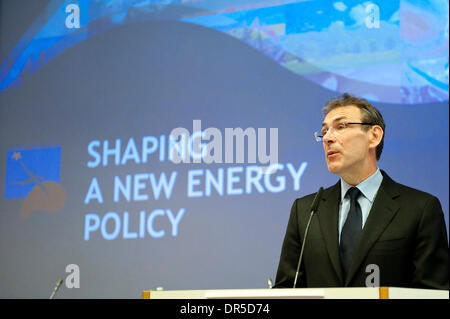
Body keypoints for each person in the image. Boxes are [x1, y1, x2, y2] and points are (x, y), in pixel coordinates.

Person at [274, 93, 449, 289]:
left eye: (341, 127)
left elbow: (434, 292)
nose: (328, 138)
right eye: (324, 131)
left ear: (374, 136)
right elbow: (286, 289)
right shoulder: (306, 211)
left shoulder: (420, 209)